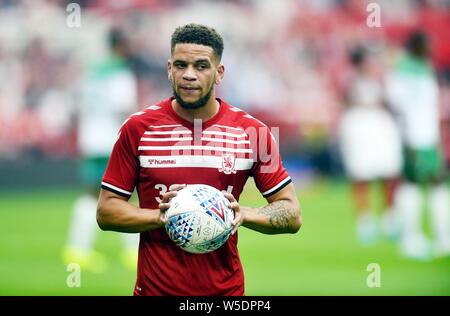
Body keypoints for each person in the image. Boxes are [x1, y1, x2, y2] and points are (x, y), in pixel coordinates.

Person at [96, 23, 302, 296]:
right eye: (181, 65)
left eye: (202, 66)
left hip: (225, 293)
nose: (189, 75)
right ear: (169, 69)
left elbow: (291, 213)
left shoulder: (253, 133)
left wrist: (243, 214)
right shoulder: (138, 129)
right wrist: (161, 217)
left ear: (219, 73)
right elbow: (106, 211)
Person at [62, 27, 139, 272]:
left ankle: (77, 250)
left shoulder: (93, 72)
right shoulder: (120, 74)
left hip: (91, 140)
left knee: (91, 195)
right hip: (112, 142)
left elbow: (79, 107)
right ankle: (132, 253)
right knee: (129, 194)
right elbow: (124, 109)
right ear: (122, 45)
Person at [386, 31, 450, 260]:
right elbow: (396, 106)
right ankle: (411, 239)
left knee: (437, 184)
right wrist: (407, 139)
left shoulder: (423, 69)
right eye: (426, 44)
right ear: (416, 47)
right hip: (414, 139)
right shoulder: (404, 73)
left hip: (429, 138)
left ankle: (440, 237)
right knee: (416, 184)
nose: (430, 48)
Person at [339, 46, 402, 245]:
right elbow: (347, 100)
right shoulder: (349, 81)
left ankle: (389, 217)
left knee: (390, 173)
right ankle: (365, 221)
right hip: (360, 131)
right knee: (361, 176)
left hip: (380, 131)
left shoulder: (381, 81)